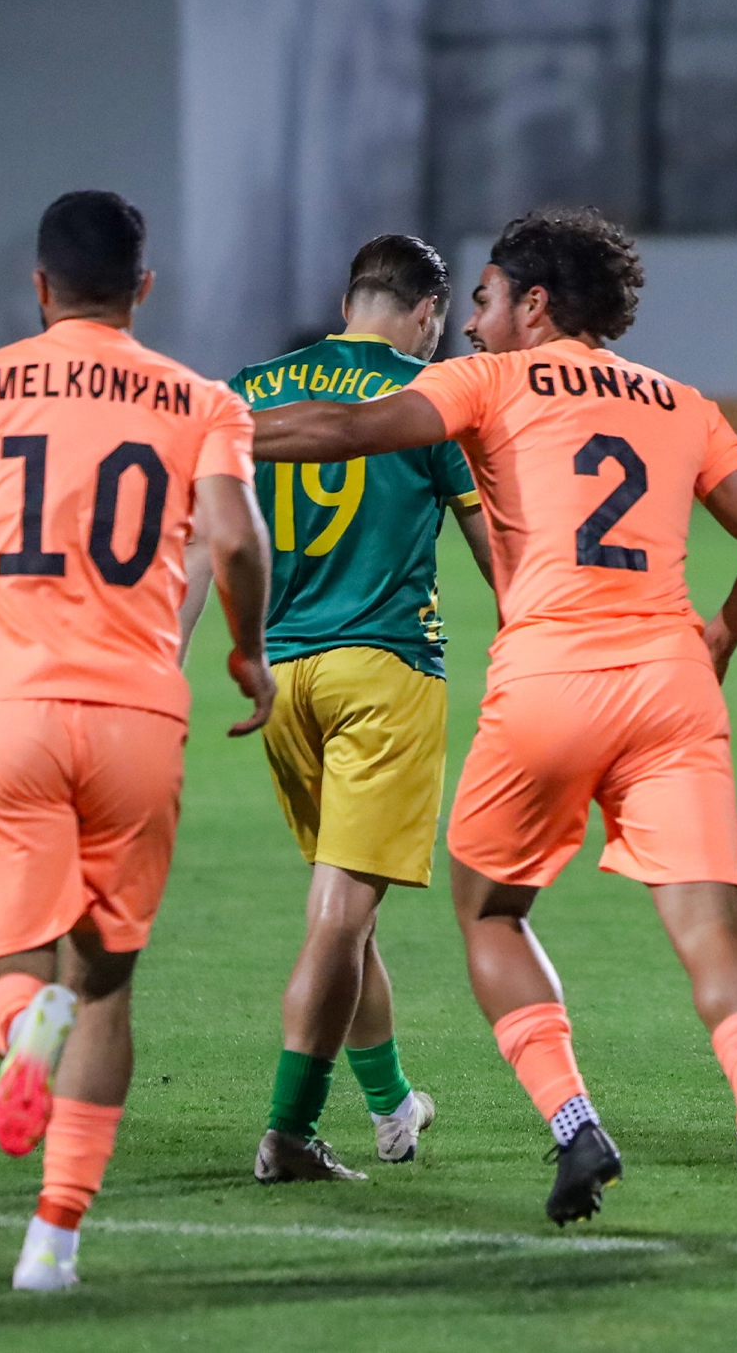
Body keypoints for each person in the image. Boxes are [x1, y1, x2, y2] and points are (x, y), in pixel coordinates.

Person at [251, 208, 737, 1265]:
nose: (471, 323)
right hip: (671, 685)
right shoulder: (683, 401)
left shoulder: (489, 383)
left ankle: (574, 1122)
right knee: (715, 938)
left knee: (491, 911)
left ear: (534, 303)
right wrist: (720, 636)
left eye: (483, 300)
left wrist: (207, 430)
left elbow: (339, 430)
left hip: (548, 677)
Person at [0, 190, 275, 1292]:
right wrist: (247, 652)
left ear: (39, 286)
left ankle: (19, 1025)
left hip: (10, 709)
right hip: (138, 717)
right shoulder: (201, 400)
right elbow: (235, 541)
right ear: (144, 287)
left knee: (8, 981)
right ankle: (53, 1240)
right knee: (106, 988)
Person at [185, 235, 495, 1183]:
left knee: (349, 910)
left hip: (284, 680)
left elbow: (205, 536)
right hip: (385, 676)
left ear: (350, 297)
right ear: (428, 312)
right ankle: (288, 1132)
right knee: (337, 917)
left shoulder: (252, 389)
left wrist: (170, 655)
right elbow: (494, 549)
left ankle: (394, 1106)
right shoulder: (431, 398)